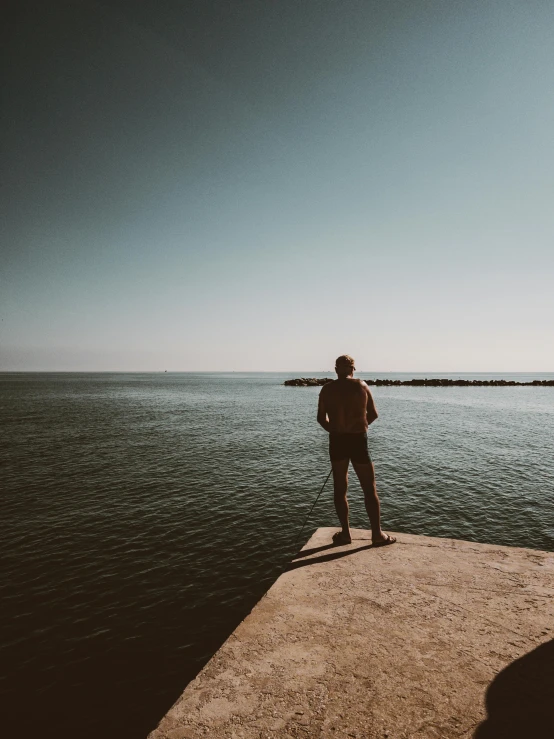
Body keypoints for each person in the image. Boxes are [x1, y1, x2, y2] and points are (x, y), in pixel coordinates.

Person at [317, 354, 396, 547]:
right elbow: (374, 414)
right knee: (369, 489)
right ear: (353, 369)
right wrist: (361, 427)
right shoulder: (362, 386)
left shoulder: (327, 389)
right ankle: (377, 535)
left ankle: (345, 534)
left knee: (340, 489)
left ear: (336, 370)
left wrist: (335, 431)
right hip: (358, 439)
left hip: (337, 440)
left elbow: (321, 419)